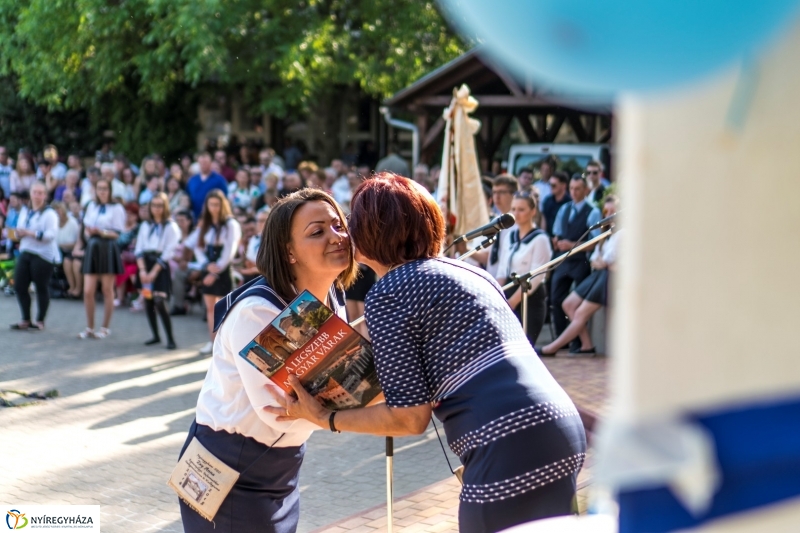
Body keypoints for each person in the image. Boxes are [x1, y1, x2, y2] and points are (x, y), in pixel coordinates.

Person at [271, 174, 586, 533]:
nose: (345, 236)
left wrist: (325, 417)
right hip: (560, 426)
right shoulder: (472, 272)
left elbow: (409, 418)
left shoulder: (388, 292)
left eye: (350, 225)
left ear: (370, 233)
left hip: (505, 440)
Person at [178, 188, 356, 533]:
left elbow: (325, 393)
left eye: (339, 225)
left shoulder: (333, 295)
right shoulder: (258, 311)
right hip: (229, 464)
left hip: (282, 464)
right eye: (318, 231)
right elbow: (280, 414)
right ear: (289, 252)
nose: (337, 237)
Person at [541, 196, 619, 356]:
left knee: (580, 313)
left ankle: (552, 348)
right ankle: (587, 345)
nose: (609, 215)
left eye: (613, 211)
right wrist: (602, 262)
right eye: (607, 211)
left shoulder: (623, 233)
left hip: (609, 279)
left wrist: (603, 262)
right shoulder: (606, 233)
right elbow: (595, 259)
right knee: (568, 304)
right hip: (599, 274)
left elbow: (607, 260)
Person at [184, 190, 241, 354]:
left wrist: (216, 270)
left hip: (222, 270)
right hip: (209, 267)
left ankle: (226, 346)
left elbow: (230, 250)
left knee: (225, 309)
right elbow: (197, 245)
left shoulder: (231, 224)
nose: (214, 208)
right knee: (210, 308)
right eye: (211, 204)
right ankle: (212, 342)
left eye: (217, 204)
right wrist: (206, 265)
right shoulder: (205, 224)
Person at [549, 175, 602, 349]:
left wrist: (572, 245)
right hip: (564, 259)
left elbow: (595, 242)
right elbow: (557, 232)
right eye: (571, 188)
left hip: (581, 261)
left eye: (578, 189)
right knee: (556, 298)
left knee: (577, 302)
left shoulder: (593, 211)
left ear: (586, 190)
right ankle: (561, 338)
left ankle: (578, 342)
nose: (573, 192)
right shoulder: (564, 209)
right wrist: (557, 241)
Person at [496, 191, 552, 346]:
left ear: (533, 211)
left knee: (525, 347)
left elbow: (537, 277)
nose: (516, 214)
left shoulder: (540, 238)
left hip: (529, 298)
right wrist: (498, 295)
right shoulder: (510, 236)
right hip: (509, 291)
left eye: (521, 209)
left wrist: (512, 302)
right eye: (514, 209)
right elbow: (502, 270)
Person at [9, 182, 60, 330]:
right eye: (34, 192)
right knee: (19, 286)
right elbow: (19, 229)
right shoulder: (25, 210)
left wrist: (30, 233)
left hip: (43, 254)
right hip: (26, 250)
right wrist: (19, 233)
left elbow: (51, 235)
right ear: (30, 194)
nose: (37, 196)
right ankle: (25, 318)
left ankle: (40, 320)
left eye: (40, 193)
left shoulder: (50, 213)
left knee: (41, 287)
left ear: (45, 195)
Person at [80, 178, 126, 339]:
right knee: (88, 291)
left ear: (110, 190)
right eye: (99, 188)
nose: (102, 191)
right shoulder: (91, 206)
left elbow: (118, 233)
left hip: (108, 248)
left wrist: (101, 232)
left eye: (105, 188)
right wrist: (89, 233)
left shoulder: (117, 207)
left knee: (107, 290)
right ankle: (89, 327)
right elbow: (85, 229)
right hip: (93, 247)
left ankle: (105, 327)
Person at [135, 193, 180, 350]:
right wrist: (142, 271)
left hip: (159, 266)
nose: (156, 208)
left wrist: (153, 272)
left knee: (160, 301)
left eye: (160, 205)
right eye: (154, 205)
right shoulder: (145, 225)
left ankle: (170, 338)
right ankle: (155, 335)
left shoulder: (170, 226)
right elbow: (139, 248)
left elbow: (168, 251)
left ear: (165, 206)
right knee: (148, 300)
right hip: (145, 264)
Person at [186, 152, 228, 221]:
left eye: (205, 162)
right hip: (196, 219)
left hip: (213, 218)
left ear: (211, 163)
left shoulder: (219, 180)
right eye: (201, 163)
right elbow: (187, 196)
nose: (203, 165)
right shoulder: (192, 180)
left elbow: (224, 199)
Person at [169, 209, 195, 316]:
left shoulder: (194, 235)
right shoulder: (174, 234)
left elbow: (192, 256)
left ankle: (179, 304)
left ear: (189, 221)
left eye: (182, 221)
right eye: (177, 221)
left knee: (176, 269)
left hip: (188, 264)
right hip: (174, 261)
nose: (180, 223)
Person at [53, 201, 81, 299]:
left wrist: (59, 245)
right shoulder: (53, 223)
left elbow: (75, 243)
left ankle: (75, 288)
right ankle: (70, 287)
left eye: (58, 210)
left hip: (70, 250)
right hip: (57, 251)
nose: (57, 213)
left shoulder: (72, 222)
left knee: (68, 261)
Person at [540, 171, 571, 236]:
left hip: (563, 241)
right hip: (547, 239)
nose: (550, 187)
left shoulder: (570, 202)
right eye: (549, 184)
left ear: (563, 186)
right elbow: (544, 220)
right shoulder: (547, 200)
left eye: (553, 185)